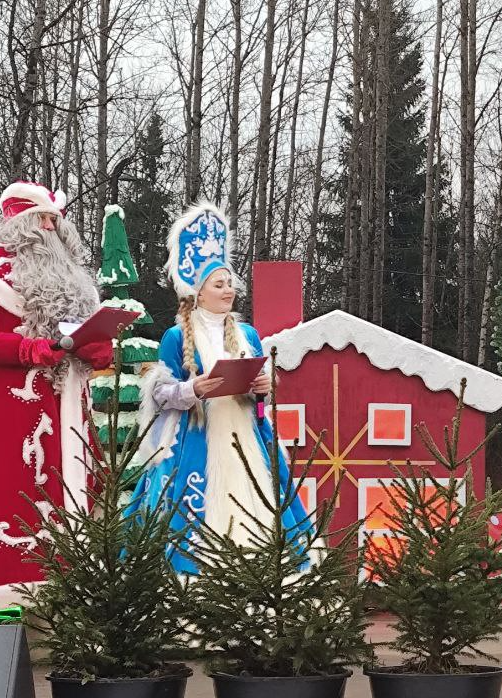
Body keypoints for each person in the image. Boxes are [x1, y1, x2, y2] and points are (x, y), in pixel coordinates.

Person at [126, 204, 311, 574]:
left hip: (247, 439)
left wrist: (263, 387)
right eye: (219, 284)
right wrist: (193, 389)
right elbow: (160, 394)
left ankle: (260, 578)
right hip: (195, 439)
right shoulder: (175, 337)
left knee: (259, 504)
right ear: (199, 292)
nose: (229, 291)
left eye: (229, 283)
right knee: (190, 512)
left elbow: (261, 398)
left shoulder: (248, 335)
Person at [0, 182, 109, 595]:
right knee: (21, 485)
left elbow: (86, 336)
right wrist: (27, 348)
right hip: (16, 407)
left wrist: (97, 347)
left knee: (75, 479)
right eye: (42, 219)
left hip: (71, 402)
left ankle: (75, 578)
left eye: (54, 219)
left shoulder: (75, 278)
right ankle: (16, 585)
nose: (51, 227)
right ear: (19, 225)